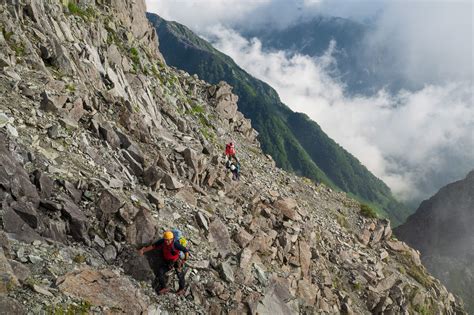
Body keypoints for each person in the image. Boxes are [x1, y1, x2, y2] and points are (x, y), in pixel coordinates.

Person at [138, 231, 189, 295]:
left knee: (180, 274)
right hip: (167, 262)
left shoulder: (176, 244)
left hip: (176, 261)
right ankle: (164, 288)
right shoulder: (162, 241)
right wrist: (143, 251)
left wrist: (184, 260)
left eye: (168, 240)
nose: (166, 242)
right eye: (165, 240)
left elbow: (186, 251)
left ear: (172, 239)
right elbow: (153, 246)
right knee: (160, 272)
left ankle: (181, 289)